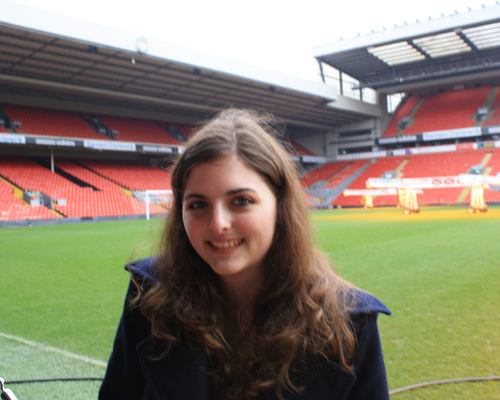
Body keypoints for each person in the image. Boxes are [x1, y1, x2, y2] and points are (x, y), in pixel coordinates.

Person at [99, 109, 391, 400]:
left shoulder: (350, 323)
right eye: (198, 205)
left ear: (280, 206)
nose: (218, 224)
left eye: (241, 201)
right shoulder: (149, 295)